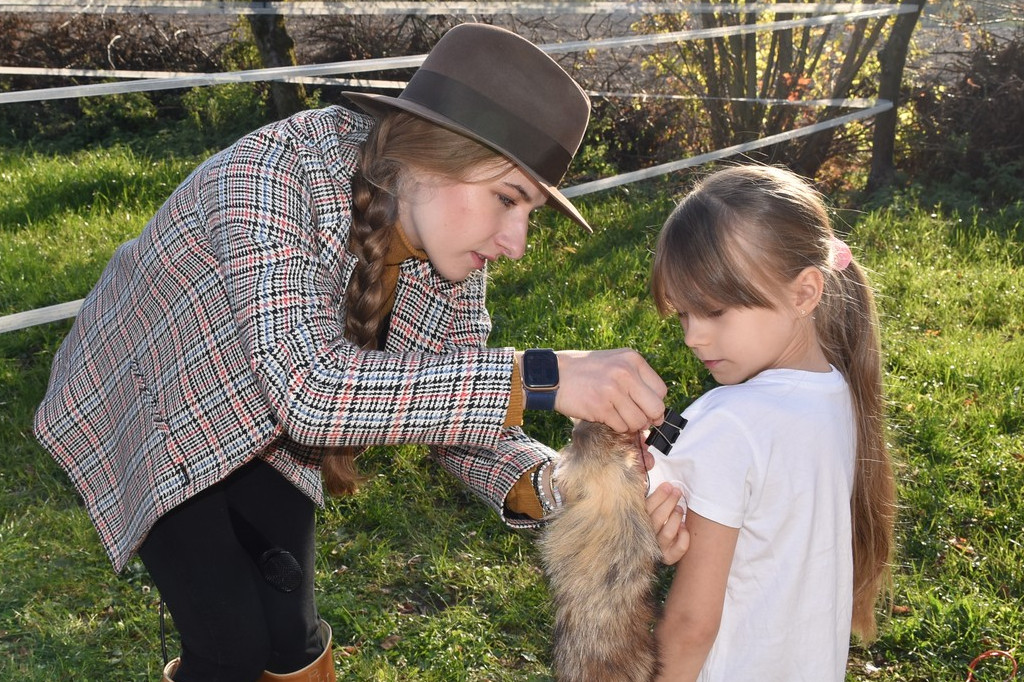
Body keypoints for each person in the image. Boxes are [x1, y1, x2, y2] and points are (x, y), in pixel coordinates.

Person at [33, 23, 668, 682]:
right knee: (231, 644)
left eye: (529, 211)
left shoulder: (448, 248)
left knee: (294, 637)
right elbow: (310, 391)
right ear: (429, 154)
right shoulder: (270, 173)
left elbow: (460, 410)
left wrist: (567, 487)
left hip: (273, 414)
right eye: (508, 199)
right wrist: (545, 375)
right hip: (158, 395)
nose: (517, 241)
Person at [644, 165, 896, 681]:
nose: (693, 337)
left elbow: (691, 624)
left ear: (805, 293)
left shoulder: (730, 423)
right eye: (684, 314)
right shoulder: (840, 396)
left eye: (714, 311)